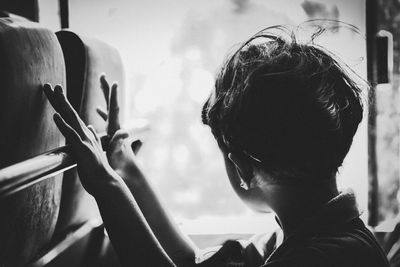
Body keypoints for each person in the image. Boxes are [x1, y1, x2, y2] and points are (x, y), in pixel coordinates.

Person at [42, 25, 390, 266]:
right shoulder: (300, 236)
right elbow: (191, 263)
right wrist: (126, 168)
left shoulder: (325, 258)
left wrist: (105, 186)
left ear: (241, 167)